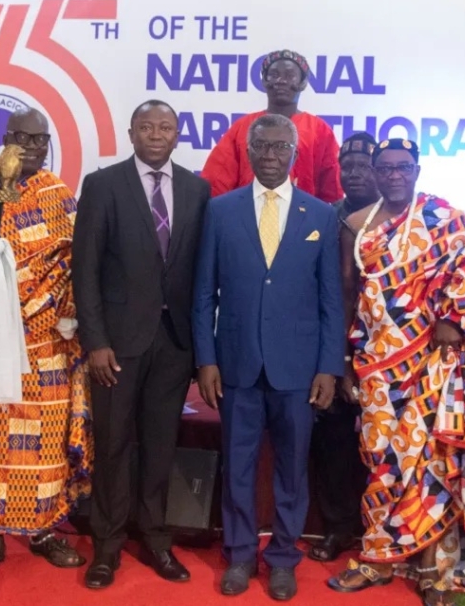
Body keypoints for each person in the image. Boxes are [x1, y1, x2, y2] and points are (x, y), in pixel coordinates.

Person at [330, 139, 465, 606]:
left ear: (417, 171)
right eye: (385, 168)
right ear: (374, 173)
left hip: (431, 365)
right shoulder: (356, 225)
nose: (394, 175)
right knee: (381, 461)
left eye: (403, 167)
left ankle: (430, 568)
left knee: (430, 465)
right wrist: (343, 363)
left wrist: (454, 317)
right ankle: (379, 557)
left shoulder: (443, 219)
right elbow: (347, 294)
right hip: (377, 365)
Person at [193, 112, 345, 601]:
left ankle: (282, 559)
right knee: (237, 467)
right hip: (236, 363)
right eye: (262, 147)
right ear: (248, 152)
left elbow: (330, 300)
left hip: (298, 370)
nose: (272, 156)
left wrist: (329, 367)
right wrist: (206, 360)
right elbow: (203, 294)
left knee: (291, 469)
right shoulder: (221, 211)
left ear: (296, 154)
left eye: (282, 147)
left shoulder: (320, 215)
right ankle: (239, 555)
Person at [72, 100, 210, 589]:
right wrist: (96, 341)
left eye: (165, 127)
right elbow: (85, 269)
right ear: (130, 133)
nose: (155, 134)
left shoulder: (197, 189)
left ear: (178, 134)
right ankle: (107, 547)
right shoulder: (103, 185)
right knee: (112, 446)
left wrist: (200, 348)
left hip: (174, 344)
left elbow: (200, 272)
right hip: (116, 346)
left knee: (159, 447)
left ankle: (155, 539)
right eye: (146, 127)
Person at [0, 106, 91, 570]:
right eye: (22, 137)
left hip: (48, 339)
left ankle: (43, 529)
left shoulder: (58, 193)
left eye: (40, 140)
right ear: (5, 137)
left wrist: (65, 312)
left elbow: (76, 261)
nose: (32, 148)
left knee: (45, 442)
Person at [309, 131, 379, 563]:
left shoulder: (399, 217)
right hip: (331, 345)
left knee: (384, 444)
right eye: (346, 166)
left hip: (386, 351)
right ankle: (338, 527)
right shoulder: (325, 216)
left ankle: (382, 531)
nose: (354, 174)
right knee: (332, 442)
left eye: (364, 166)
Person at [201, 49, 341, 203]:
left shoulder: (319, 130)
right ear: (264, 81)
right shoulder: (243, 127)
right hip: (248, 212)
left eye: (290, 75)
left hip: (303, 214)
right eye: (274, 75)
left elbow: (333, 190)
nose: (281, 80)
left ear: (303, 83)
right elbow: (216, 182)